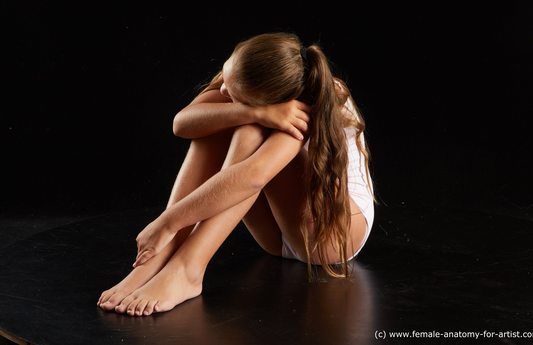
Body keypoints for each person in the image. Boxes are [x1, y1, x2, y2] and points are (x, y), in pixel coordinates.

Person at [97, 32, 375, 316]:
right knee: (221, 120)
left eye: (236, 94)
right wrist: (252, 112)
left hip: (330, 235)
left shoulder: (312, 97)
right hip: (280, 233)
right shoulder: (248, 74)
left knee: (247, 130)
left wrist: (166, 221)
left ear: (278, 97)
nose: (224, 93)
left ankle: (188, 269)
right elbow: (182, 123)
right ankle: (161, 258)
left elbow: (255, 175)